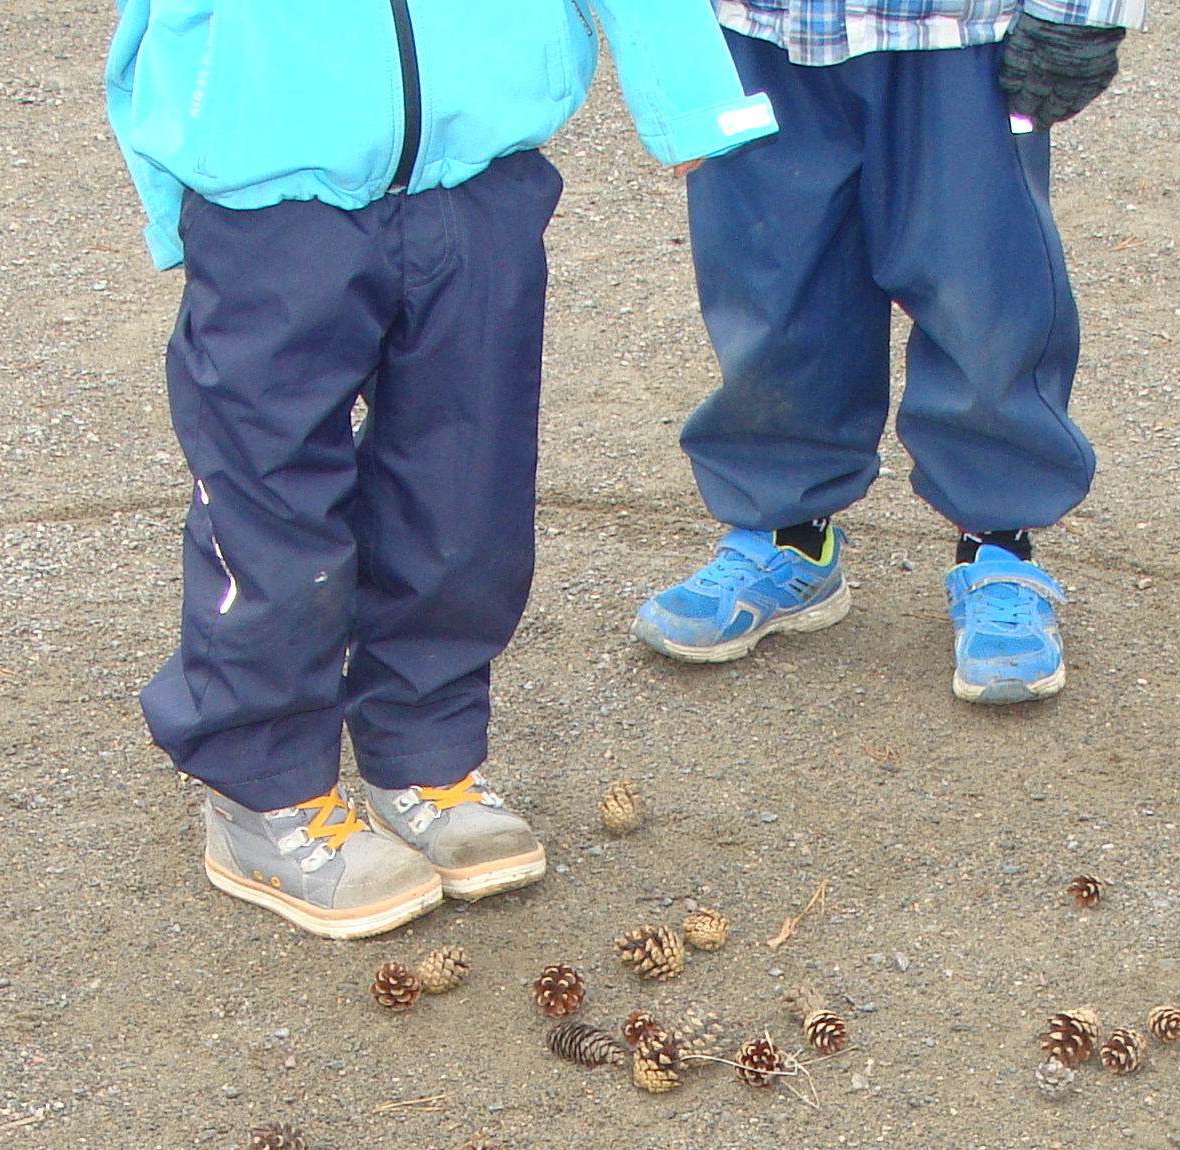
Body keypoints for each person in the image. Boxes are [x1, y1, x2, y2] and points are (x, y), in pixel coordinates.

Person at [107, 0, 776, 941]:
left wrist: (692, 99)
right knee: (270, 504)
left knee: (467, 490)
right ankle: (264, 787)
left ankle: (425, 753)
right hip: (270, 183)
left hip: (480, 170)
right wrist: (170, 168)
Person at [630, 1, 1142, 707]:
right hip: (757, 27)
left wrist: (1078, 14)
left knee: (983, 291)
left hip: (961, 32)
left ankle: (1000, 547)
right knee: (773, 287)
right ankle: (788, 532)